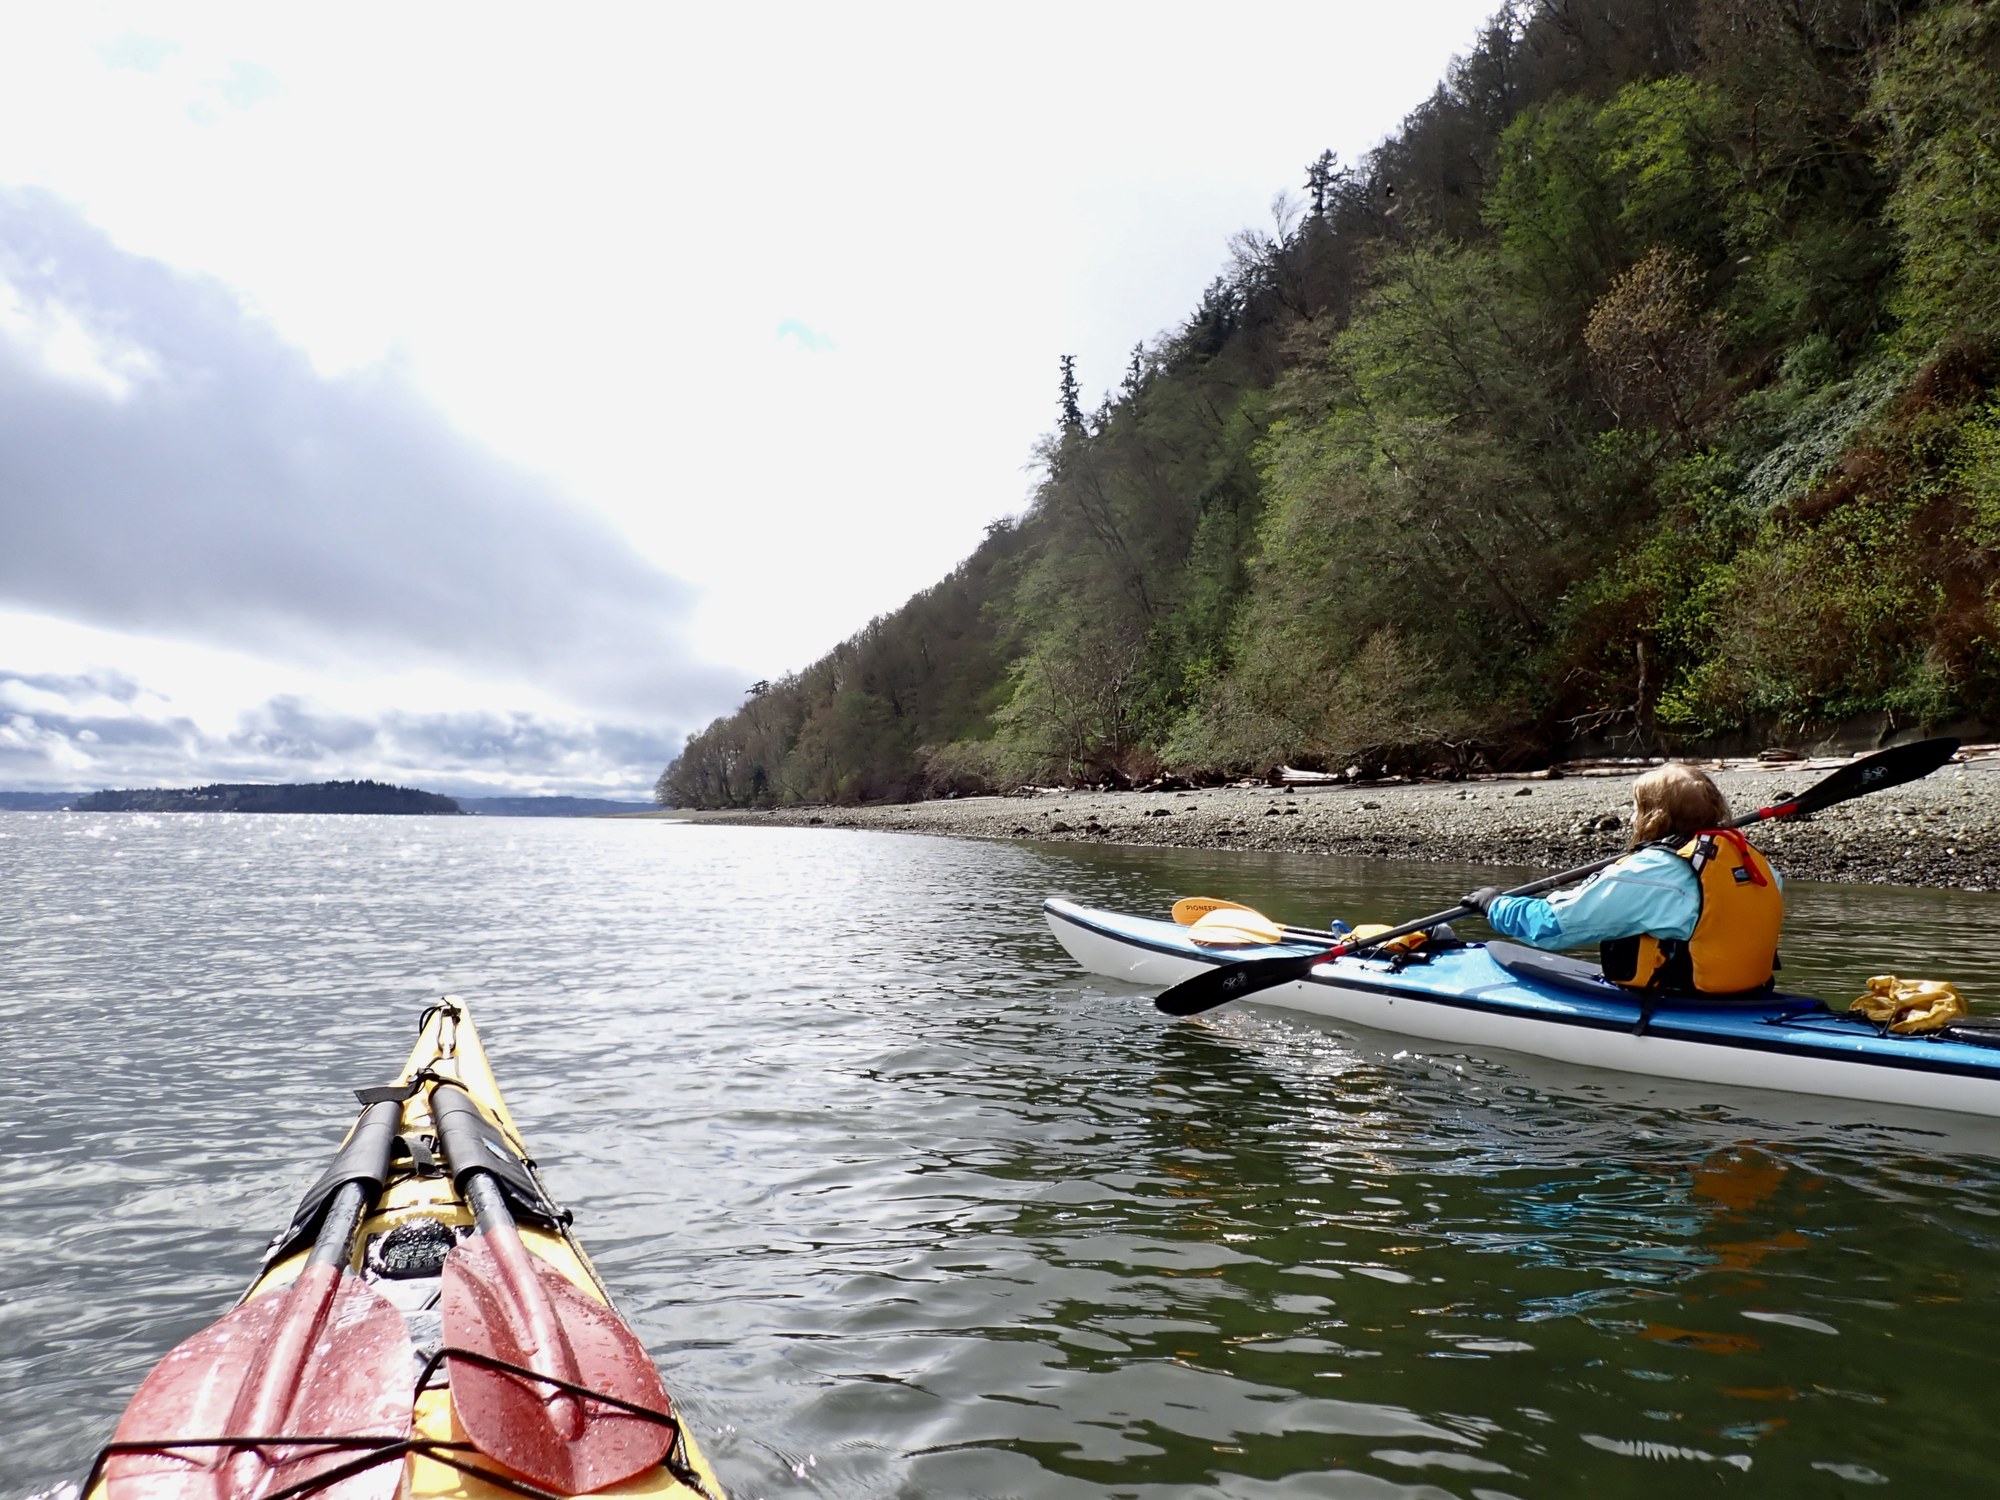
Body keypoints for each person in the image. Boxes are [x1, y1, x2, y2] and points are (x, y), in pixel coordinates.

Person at [1460, 763, 1784, 996]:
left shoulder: (1650, 872)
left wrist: (1496, 905)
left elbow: (1553, 927)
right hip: (1751, 996)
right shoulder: (1752, 860)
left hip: (1682, 1002)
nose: (1632, 818)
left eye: (1637, 808)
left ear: (1655, 816)